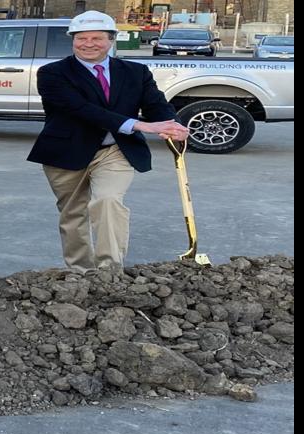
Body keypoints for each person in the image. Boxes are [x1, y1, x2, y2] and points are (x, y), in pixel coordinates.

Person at [26, 10, 189, 271]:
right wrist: (139, 125)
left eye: (97, 38)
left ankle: (108, 273)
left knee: (108, 201)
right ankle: (80, 272)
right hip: (67, 150)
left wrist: (171, 124)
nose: (88, 44)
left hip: (115, 150)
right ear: (72, 40)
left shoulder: (135, 72)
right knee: (73, 214)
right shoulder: (52, 73)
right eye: (82, 38)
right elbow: (80, 109)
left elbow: (156, 104)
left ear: (111, 40)